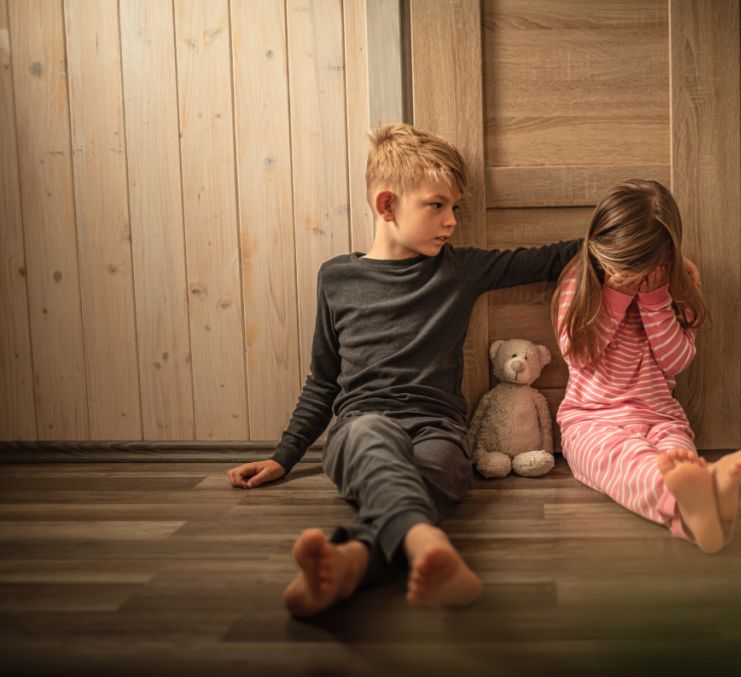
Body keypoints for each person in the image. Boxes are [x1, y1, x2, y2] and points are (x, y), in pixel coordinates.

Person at [226, 123, 579, 616]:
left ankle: (351, 560)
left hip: (438, 429)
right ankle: (424, 543)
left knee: (437, 467)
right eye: (437, 205)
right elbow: (323, 381)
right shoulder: (337, 278)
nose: (452, 220)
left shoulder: (458, 270)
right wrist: (285, 457)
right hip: (360, 427)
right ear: (387, 205)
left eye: (455, 207)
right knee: (372, 435)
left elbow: (551, 258)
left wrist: (644, 246)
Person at [552, 179, 741, 553]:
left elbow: (677, 360)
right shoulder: (579, 282)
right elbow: (579, 355)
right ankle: (694, 504)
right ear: (600, 252)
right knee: (628, 464)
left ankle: (703, 503)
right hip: (591, 420)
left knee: (676, 459)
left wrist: (655, 303)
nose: (631, 279)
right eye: (620, 269)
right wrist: (615, 296)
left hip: (661, 417)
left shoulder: (673, 287)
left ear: (664, 260)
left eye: (642, 270)